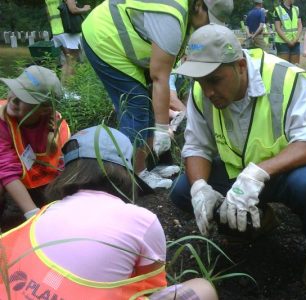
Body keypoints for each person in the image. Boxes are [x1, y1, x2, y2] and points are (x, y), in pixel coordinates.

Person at [170, 24, 306, 292]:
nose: (208, 91)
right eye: (201, 81)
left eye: (214, 79)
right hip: (239, 175)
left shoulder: (284, 79)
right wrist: (200, 187)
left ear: (240, 65)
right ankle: (254, 224)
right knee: (183, 190)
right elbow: (197, 146)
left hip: (285, 171)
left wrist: (257, 172)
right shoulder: (202, 92)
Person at [0, 125, 217, 299]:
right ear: (125, 173)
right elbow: (147, 287)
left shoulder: (47, 211)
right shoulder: (141, 220)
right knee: (203, 288)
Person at [81, 0, 233, 189]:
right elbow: (160, 77)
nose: (207, 27)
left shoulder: (185, 16)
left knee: (147, 104)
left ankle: (146, 166)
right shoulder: (171, 16)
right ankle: (131, 176)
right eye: (209, 20)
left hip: (117, 41)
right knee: (136, 106)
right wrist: (161, 128)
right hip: (104, 40)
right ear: (199, 6)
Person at [0, 65, 70, 221]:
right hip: (11, 181)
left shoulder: (58, 127)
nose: (14, 99)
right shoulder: (3, 120)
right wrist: (32, 213)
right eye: (15, 90)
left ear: (44, 110)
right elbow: (5, 168)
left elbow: (62, 169)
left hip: (42, 182)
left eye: (24, 98)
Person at [44, 0, 91, 83]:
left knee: (68, 60)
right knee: (72, 61)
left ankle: (64, 89)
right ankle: (70, 91)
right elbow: (73, 9)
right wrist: (85, 8)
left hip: (56, 30)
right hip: (68, 29)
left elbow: (48, 14)